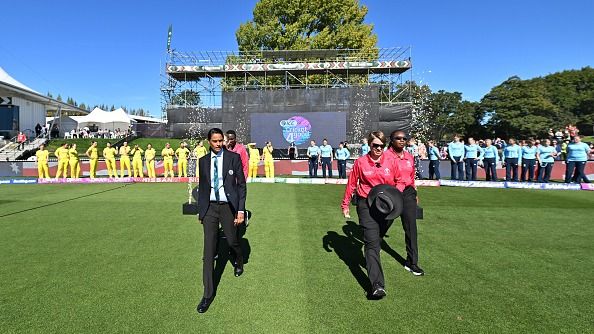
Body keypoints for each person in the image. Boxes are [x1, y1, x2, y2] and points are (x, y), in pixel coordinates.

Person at [341, 131, 402, 299]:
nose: (378, 149)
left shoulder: (391, 161)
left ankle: (372, 256)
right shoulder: (361, 163)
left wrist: (399, 199)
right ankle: (377, 285)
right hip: (366, 204)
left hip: (387, 207)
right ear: (369, 145)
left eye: (382, 146)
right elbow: (352, 183)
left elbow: (399, 181)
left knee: (376, 239)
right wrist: (345, 204)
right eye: (375, 145)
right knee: (371, 243)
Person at [195, 128, 246, 314]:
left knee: (232, 241)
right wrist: (202, 212)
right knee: (208, 250)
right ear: (209, 141)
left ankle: (239, 259)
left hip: (228, 207)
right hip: (209, 208)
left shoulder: (233, 158)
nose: (218, 144)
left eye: (220, 141)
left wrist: (240, 209)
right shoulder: (203, 161)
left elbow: (241, 186)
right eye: (214, 141)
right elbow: (203, 187)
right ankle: (207, 294)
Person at [385, 130, 424, 277]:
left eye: (404, 138)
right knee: (383, 226)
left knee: (411, 228)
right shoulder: (385, 156)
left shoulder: (409, 156)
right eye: (398, 138)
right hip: (391, 194)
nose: (402, 140)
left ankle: (412, 263)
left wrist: (415, 192)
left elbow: (411, 176)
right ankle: (371, 253)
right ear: (392, 140)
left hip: (408, 194)